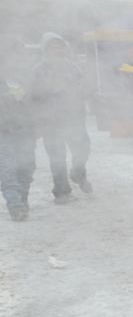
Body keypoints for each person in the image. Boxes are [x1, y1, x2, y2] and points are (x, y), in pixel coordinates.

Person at [29, 32, 92, 204]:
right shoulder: (38, 70)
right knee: (57, 157)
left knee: (83, 149)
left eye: (59, 46)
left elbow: (84, 87)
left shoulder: (73, 67)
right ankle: (62, 191)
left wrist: (85, 92)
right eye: (52, 46)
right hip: (51, 120)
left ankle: (78, 173)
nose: (57, 49)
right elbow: (33, 95)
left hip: (74, 117)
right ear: (45, 49)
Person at [0, 35, 36, 221]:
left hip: (26, 130)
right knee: (8, 168)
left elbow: (39, 102)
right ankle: (15, 203)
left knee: (27, 167)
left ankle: (22, 199)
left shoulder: (28, 78)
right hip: (4, 132)